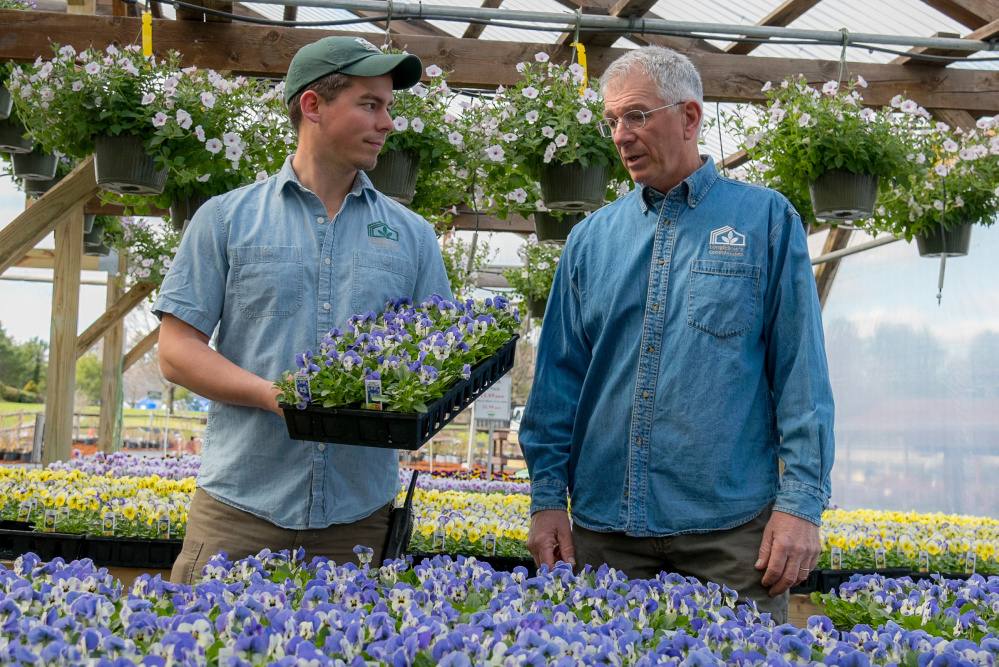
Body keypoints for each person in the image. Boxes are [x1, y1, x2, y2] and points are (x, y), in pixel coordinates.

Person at [519, 46, 834, 624]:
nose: (620, 135)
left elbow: (801, 374)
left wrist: (802, 505)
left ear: (690, 117)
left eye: (636, 115)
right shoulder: (590, 239)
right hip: (605, 533)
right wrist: (546, 502)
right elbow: (557, 383)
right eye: (612, 120)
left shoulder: (765, 220)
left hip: (732, 536)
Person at [153, 36, 452, 585]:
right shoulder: (225, 220)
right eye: (370, 104)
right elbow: (176, 352)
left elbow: (444, 358)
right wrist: (278, 398)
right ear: (312, 106)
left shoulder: (412, 237)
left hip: (358, 521)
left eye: (389, 106)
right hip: (239, 513)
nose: (388, 123)